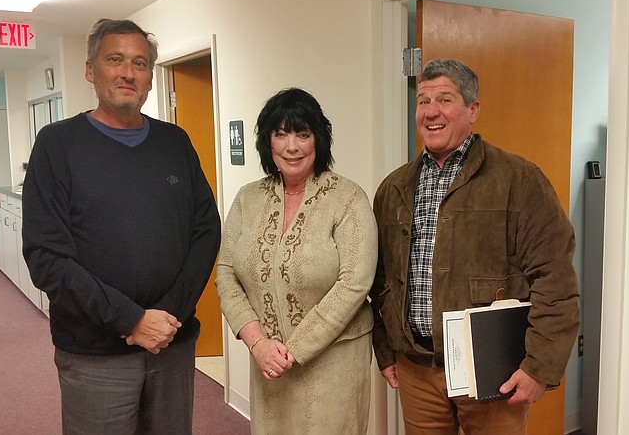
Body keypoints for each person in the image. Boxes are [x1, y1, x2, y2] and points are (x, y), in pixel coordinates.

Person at [21, 18, 221, 435]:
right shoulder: (57, 145)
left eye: (140, 63)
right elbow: (46, 257)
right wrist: (130, 320)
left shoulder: (175, 143)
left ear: (150, 78)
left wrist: (168, 314)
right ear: (91, 70)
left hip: (173, 344)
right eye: (115, 60)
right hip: (95, 355)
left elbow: (206, 230)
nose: (128, 72)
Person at [370, 58, 580, 435]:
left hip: (492, 373)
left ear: (473, 109)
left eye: (445, 99)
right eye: (423, 101)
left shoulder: (519, 179)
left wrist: (539, 367)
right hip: (417, 371)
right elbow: (382, 279)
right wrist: (386, 350)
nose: (431, 112)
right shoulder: (393, 188)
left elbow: (555, 278)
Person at [215, 87, 377, 434]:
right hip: (267, 362)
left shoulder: (348, 198)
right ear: (267, 141)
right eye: (281, 133)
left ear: (318, 140)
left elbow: (355, 282)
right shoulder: (248, 199)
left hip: (334, 359)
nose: (292, 146)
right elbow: (226, 273)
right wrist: (258, 344)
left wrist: (292, 350)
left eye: (303, 134)